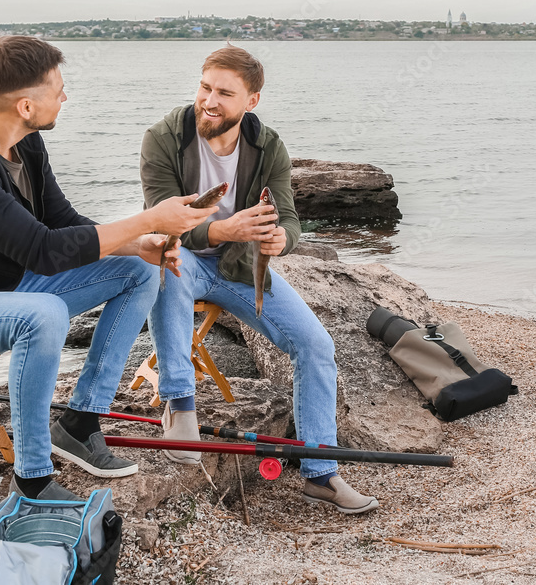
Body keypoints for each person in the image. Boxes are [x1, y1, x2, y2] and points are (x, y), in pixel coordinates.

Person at [0, 36, 217, 501]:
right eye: (58, 90)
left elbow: (62, 222)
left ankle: (81, 422)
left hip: (9, 285)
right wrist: (149, 217)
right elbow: (43, 251)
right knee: (41, 314)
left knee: (139, 272)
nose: (65, 97)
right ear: (26, 104)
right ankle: (32, 479)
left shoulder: (25, 142)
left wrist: (138, 243)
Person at [140, 46, 379, 514]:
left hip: (239, 269)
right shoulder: (164, 137)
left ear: (251, 100)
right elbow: (165, 222)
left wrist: (280, 242)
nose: (209, 101)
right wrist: (223, 229)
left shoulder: (268, 145)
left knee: (316, 345)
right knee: (165, 266)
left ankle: (320, 473)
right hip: (184, 256)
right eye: (205, 87)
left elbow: (289, 219)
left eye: (224, 93)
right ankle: (179, 404)